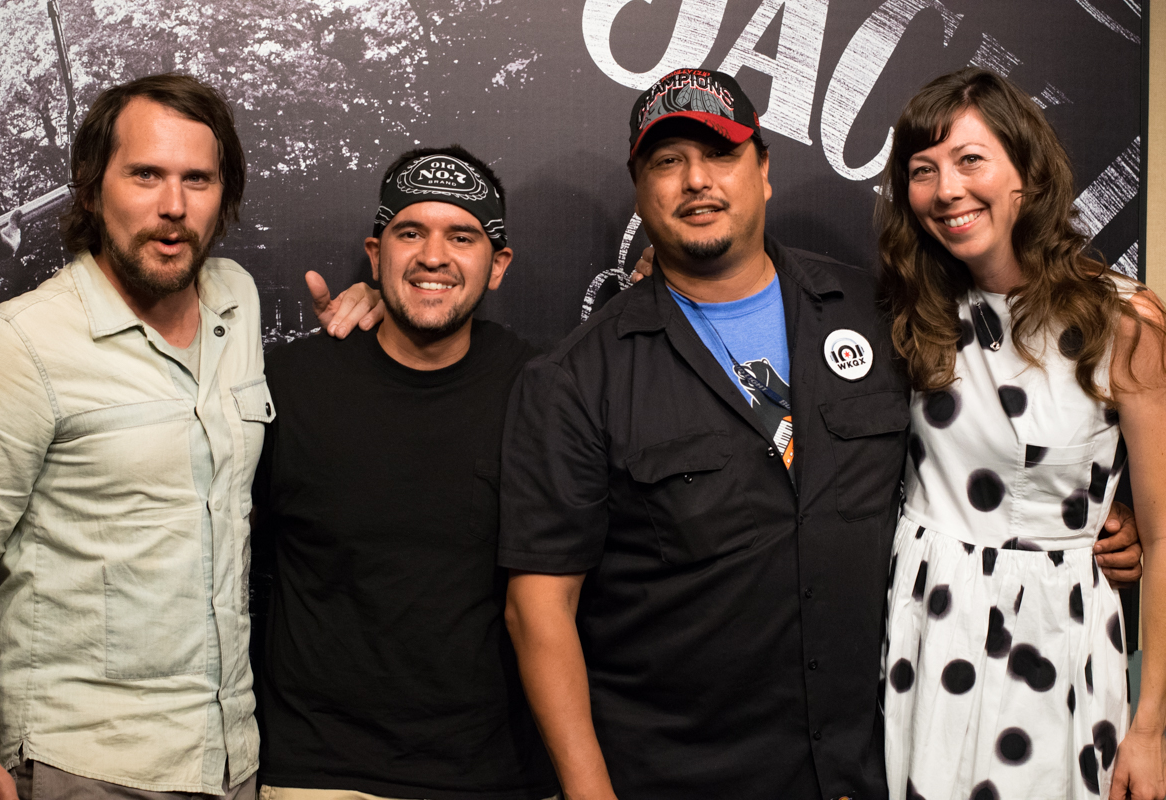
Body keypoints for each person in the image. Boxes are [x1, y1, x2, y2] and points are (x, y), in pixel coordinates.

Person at [489, 67, 1145, 800]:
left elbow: (1000, 420)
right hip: (681, 770)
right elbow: (537, 611)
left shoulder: (879, 312)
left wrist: (1098, 515)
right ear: (641, 190)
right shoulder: (576, 378)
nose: (697, 181)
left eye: (721, 156)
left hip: (870, 759)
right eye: (667, 163)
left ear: (764, 172)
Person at [0, 74, 262, 799]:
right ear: (93, 188)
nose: (173, 205)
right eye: (145, 175)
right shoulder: (20, 344)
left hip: (231, 758)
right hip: (83, 764)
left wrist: (380, 296)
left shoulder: (238, 301)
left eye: (197, 179)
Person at [876, 68, 1166, 800]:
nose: (946, 190)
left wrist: (1150, 730)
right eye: (923, 170)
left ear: (1026, 175)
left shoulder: (1121, 321)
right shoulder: (903, 312)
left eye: (971, 160)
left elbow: (1163, 539)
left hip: (1056, 649)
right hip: (923, 636)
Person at [252, 146, 559, 800]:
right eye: (410, 232)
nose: (432, 256)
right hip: (321, 774)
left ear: (498, 265)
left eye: (462, 236)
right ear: (375, 253)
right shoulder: (290, 385)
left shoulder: (544, 390)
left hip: (499, 776)